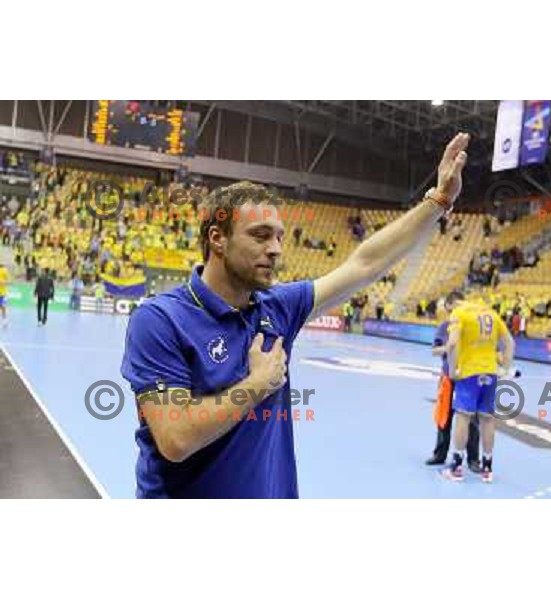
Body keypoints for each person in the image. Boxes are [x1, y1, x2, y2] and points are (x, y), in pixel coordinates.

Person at [120, 132, 470, 499]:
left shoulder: (278, 306)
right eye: (260, 235)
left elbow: (364, 264)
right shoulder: (160, 320)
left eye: (279, 238)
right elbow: (175, 439)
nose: (274, 249)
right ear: (217, 239)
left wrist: (438, 200)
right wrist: (257, 385)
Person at [444, 292, 515, 483]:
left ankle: (457, 467)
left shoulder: (459, 313)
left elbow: (451, 344)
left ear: (451, 304)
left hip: (469, 373)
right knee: (488, 420)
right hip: (490, 372)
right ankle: (487, 469)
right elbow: (510, 342)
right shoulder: (490, 312)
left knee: (462, 417)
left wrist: (452, 369)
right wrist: (505, 370)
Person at [426, 296, 480, 471]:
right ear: (448, 306)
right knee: (444, 418)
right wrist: (448, 347)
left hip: (468, 379)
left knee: (471, 420)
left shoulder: (472, 328)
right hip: (449, 379)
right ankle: (440, 454)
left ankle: (473, 459)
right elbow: (434, 350)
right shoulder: (444, 327)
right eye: (454, 305)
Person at [0, 262, 10, 329]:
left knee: (3, 307)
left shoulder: (4, 270)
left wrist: (3, 282)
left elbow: (9, 281)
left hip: (3, 294)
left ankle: (5, 321)